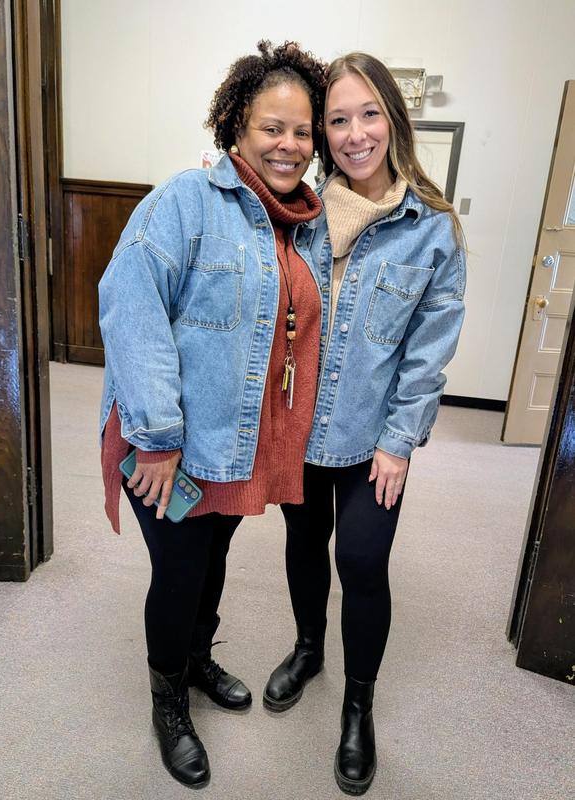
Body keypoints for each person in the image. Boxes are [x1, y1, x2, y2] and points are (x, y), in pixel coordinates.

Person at [98, 41, 327, 789]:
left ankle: (196, 660)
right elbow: (131, 314)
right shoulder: (184, 202)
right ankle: (168, 698)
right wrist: (157, 440)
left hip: (232, 438)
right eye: (272, 128)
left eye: (302, 131)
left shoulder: (294, 220)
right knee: (180, 566)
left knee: (214, 554)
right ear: (235, 126)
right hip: (167, 436)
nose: (288, 145)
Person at [263, 52, 466, 795]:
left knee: (363, 564)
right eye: (337, 120)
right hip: (298, 430)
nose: (353, 134)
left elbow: (427, 353)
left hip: (371, 439)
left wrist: (399, 443)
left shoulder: (432, 230)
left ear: (394, 119)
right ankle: (310, 647)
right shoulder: (295, 212)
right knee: (302, 543)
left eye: (368, 114)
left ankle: (358, 704)